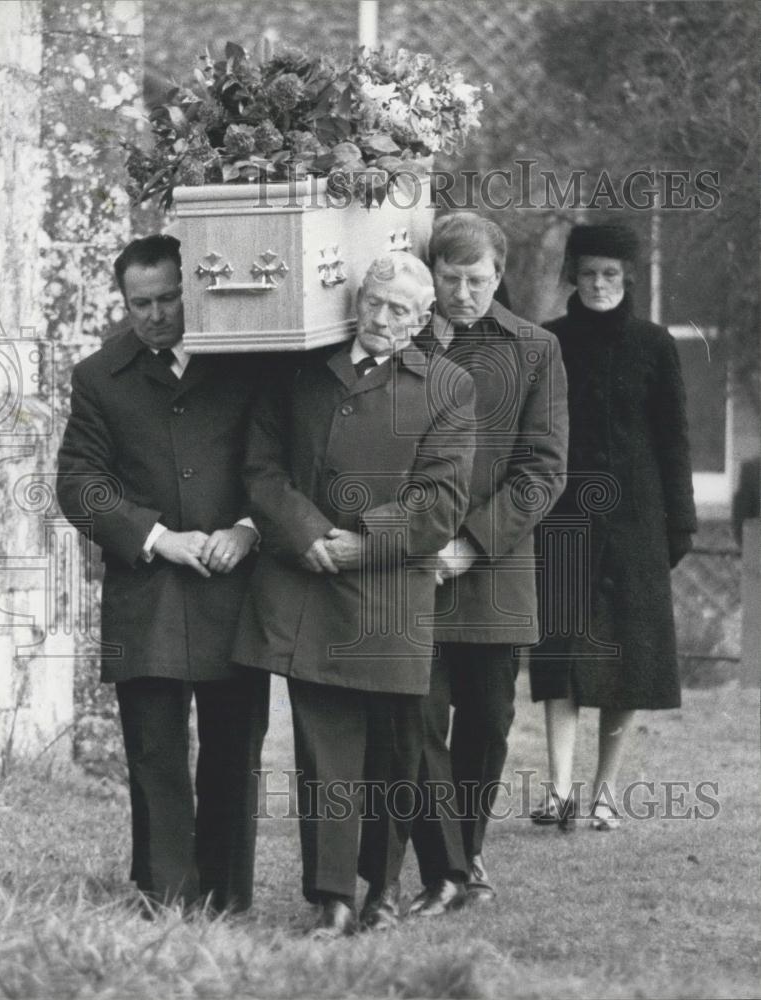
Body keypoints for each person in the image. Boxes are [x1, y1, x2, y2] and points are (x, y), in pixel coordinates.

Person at [232, 253, 476, 939]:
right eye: (374, 301)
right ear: (356, 299)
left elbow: (440, 501)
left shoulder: (447, 387)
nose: (382, 318)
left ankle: (383, 889)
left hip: (389, 590)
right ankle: (332, 896)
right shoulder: (302, 368)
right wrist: (305, 532)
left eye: (400, 309)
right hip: (309, 582)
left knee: (395, 752)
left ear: (423, 319)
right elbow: (261, 466)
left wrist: (362, 542)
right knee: (323, 748)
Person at [359, 212, 569, 915]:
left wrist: (472, 542)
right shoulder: (399, 335)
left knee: (486, 721)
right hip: (407, 570)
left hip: (494, 570)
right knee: (414, 724)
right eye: (449, 279)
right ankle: (435, 868)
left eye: (476, 280)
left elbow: (542, 469)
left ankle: (466, 856)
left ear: (499, 275)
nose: (462, 293)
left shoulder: (534, 349)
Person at [56, 234, 269, 914]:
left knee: (234, 749)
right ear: (123, 302)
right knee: (154, 751)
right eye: (138, 302)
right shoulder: (97, 376)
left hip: (234, 583)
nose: (154, 314)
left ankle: (227, 896)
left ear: (193, 289)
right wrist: (155, 537)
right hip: (145, 588)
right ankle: (165, 896)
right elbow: (79, 482)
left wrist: (246, 529)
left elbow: (281, 460)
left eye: (168, 298)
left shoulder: (247, 360)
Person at [528, 222, 697, 831]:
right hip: (564, 516)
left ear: (627, 278)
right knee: (562, 650)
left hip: (638, 521)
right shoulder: (548, 342)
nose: (599, 284)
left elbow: (674, 439)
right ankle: (559, 790)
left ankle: (604, 793)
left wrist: (680, 524)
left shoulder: (654, 345)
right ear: (573, 274)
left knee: (629, 653)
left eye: (610, 274)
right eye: (588, 272)